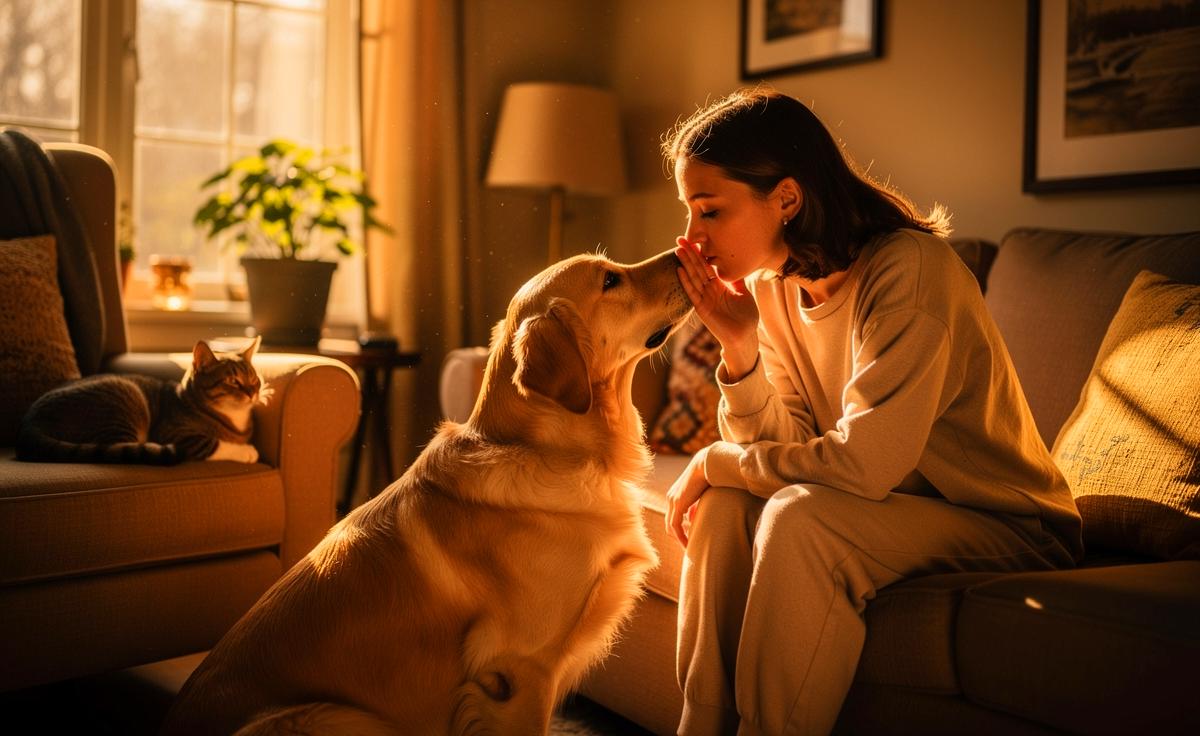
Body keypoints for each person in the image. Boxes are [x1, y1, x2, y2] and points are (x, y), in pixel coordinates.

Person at [663, 88, 1083, 736]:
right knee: (722, 507)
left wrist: (722, 460)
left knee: (802, 521)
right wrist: (740, 349)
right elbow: (790, 444)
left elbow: (863, 465)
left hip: (1005, 523)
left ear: (787, 199)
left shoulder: (908, 274)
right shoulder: (773, 290)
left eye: (709, 211)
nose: (692, 239)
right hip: (890, 504)